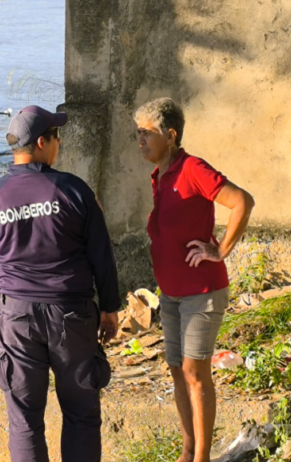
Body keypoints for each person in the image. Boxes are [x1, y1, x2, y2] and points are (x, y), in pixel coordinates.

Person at [0, 106, 120, 462]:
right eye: (56, 136)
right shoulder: (75, 191)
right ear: (41, 143)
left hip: (16, 318)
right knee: (81, 414)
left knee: (24, 421)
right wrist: (109, 308)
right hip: (72, 316)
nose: (59, 143)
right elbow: (102, 255)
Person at [134, 98, 255, 462]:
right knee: (176, 369)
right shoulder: (161, 175)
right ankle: (188, 450)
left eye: (145, 133)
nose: (138, 140)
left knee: (194, 371)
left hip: (202, 292)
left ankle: (201, 457)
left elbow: (242, 202)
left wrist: (220, 250)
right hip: (171, 293)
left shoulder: (193, 168)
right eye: (136, 133)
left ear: (170, 136)